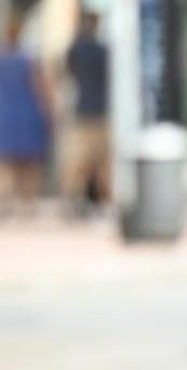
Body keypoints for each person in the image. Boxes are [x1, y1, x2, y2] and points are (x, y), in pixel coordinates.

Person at [0, 8, 52, 219]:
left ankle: (6, 201)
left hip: (6, 112)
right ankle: (27, 204)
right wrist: (48, 111)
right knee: (29, 161)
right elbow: (40, 87)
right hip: (27, 111)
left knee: (7, 161)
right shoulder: (29, 59)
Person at [62, 9, 110, 217]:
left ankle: (78, 200)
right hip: (97, 112)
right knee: (96, 162)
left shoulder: (80, 48)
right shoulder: (101, 50)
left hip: (87, 112)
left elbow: (68, 68)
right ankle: (92, 201)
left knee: (85, 162)